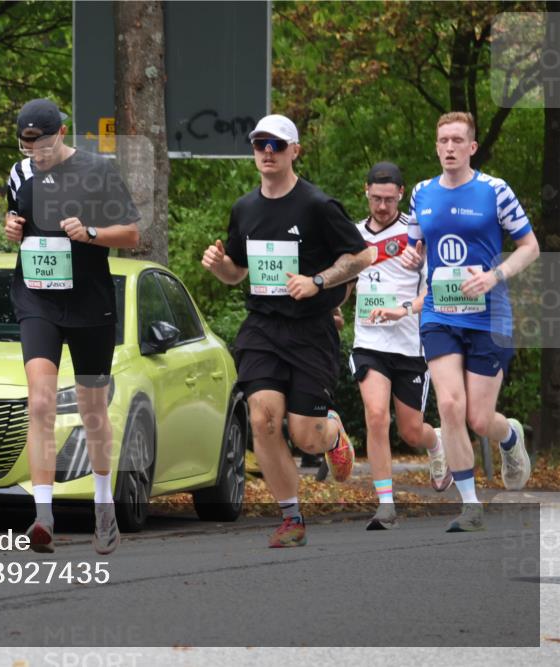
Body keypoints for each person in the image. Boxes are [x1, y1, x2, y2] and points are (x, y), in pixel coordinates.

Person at [202, 114, 372, 548]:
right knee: (262, 418)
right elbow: (238, 272)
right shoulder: (244, 208)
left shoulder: (317, 206)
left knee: (304, 434)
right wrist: (222, 268)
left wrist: (317, 281)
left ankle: (331, 431)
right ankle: (291, 517)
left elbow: (361, 256)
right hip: (262, 327)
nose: (268, 152)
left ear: (295, 151)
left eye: (277, 145)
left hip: (311, 329)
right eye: (260, 145)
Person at [4, 99, 140, 554]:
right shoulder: (19, 174)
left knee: (93, 412)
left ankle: (104, 504)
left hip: (89, 306)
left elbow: (133, 235)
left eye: (41, 143)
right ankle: (43, 515)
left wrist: (92, 234)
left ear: (62, 132)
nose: (34, 152)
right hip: (37, 298)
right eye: (27, 144)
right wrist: (11, 228)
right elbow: (15, 221)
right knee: (40, 402)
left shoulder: (98, 171)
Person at [399, 111, 538, 532]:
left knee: (480, 418)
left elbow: (529, 246)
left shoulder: (494, 191)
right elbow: (414, 247)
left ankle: (509, 436)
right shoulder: (422, 192)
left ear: (472, 147)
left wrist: (494, 275)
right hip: (440, 312)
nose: (449, 147)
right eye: (443, 140)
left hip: (488, 315)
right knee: (449, 406)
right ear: (437, 145)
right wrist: (411, 257)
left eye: (458, 140)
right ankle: (470, 504)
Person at [347, 161, 452, 531]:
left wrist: (403, 306)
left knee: (411, 431)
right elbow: (343, 280)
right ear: (366, 191)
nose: (381, 207)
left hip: (409, 344)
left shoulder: (418, 233)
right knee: (376, 416)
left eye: (389, 200)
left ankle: (435, 442)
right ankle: (386, 504)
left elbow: (436, 289)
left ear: (401, 194)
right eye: (376, 198)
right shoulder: (352, 234)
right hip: (368, 342)